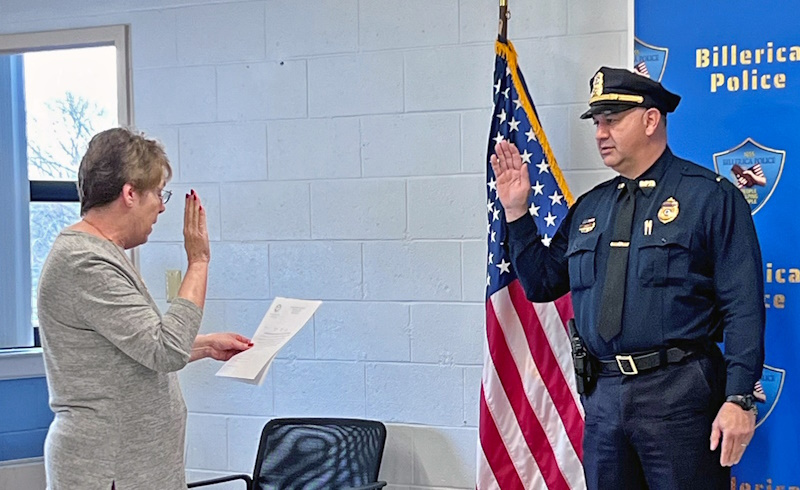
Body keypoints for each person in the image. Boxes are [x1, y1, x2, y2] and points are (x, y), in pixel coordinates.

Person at [491, 67, 765, 489]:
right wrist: (516, 212)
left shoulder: (709, 197)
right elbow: (542, 284)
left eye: (612, 121)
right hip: (604, 400)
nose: (600, 132)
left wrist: (740, 398)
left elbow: (743, 305)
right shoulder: (591, 208)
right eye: (597, 123)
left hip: (680, 397)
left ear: (651, 120)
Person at [37, 127, 253, 490]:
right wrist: (198, 261)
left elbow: (139, 347)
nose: (163, 205)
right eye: (157, 192)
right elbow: (164, 349)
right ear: (130, 193)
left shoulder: (101, 255)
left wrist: (205, 345)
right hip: (108, 469)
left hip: (134, 469)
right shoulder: (85, 263)